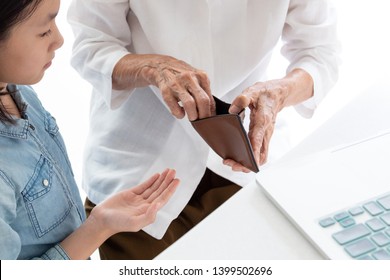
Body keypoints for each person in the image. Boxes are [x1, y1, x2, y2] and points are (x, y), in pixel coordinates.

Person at [68, 0, 341, 259]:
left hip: (244, 169)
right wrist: (152, 68)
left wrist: (279, 93)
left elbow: (319, 52)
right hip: (139, 175)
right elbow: (92, 43)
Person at [0, 0, 179, 260]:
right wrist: (97, 230)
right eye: (44, 31)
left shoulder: (18, 93)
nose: (60, 39)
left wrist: (99, 224)